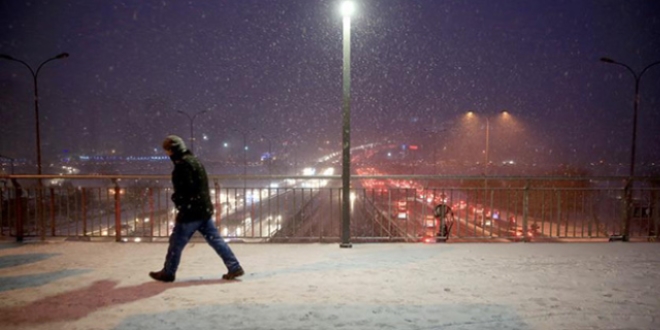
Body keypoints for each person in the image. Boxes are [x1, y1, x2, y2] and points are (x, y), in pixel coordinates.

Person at [149, 135, 244, 282]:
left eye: (166, 150)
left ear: (171, 150)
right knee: (216, 240)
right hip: (203, 210)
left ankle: (168, 273)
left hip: (190, 212)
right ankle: (234, 266)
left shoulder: (182, 166)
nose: (166, 153)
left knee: (176, 243)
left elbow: (185, 189)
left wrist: (178, 201)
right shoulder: (194, 161)